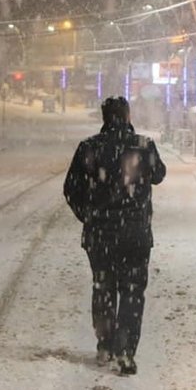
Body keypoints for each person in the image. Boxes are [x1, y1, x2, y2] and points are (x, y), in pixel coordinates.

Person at [63, 96, 166, 375]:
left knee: (103, 287)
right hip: (135, 233)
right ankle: (126, 351)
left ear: (104, 117)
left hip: (100, 234)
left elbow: (71, 189)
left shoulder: (90, 148)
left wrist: (89, 214)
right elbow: (159, 175)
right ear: (127, 116)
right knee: (132, 291)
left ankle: (105, 344)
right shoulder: (143, 146)